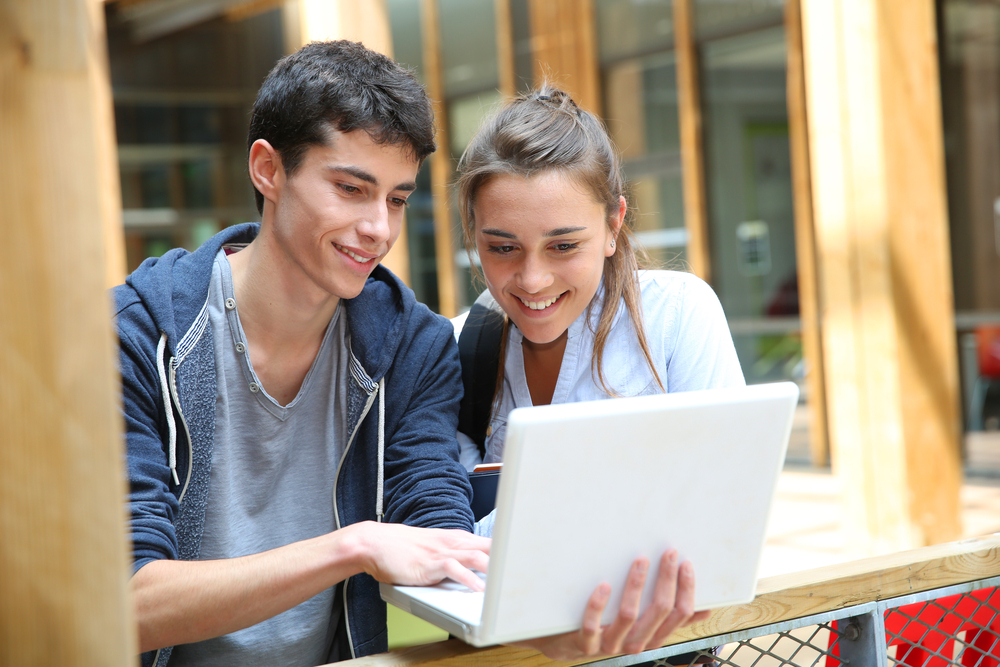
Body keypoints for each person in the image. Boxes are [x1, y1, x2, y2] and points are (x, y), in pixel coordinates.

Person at [116, 41, 491, 667]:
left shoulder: (412, 347)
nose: (379, 229)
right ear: (268, 169)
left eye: (397, 199)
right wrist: (352, 547)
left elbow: (434, 515)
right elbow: (125, 605)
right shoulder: (135, 339)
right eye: (351, 188)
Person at [452, 86, 747, 659]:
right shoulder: (460, 344)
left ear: (614, 224)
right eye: (502, 248)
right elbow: (445, 541)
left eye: (563, 246)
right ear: (474, 236)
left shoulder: (676, 316)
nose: (532, 280)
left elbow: (725, 516)